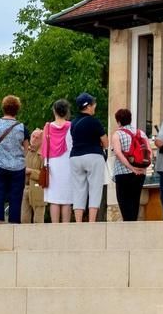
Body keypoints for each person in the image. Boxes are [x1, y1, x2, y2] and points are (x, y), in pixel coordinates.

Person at [67, 94, 107, 223]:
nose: (95, 106)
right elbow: (105, 142)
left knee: (78, 189)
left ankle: (79, 221)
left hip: (75, 157)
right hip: (93, 155)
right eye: (93, 104)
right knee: (95, 188)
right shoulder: (94, 121)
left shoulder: (73, 123)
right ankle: (91, 221)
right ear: (88, 106)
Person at [0, 97, 26, 223]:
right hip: (17, 167)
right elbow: (26, 148)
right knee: (16, 197)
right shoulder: (22, 127)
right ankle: (14, 223)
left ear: (3, 108)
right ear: (17, 109)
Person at [111, 108, 152, 222]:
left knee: (124, 203)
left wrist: (131, 168)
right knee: (135, 202)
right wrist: (141, 168)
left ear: (118, 121)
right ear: (130, 119)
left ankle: (127, 228)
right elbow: (149, 152)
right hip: (140, 173)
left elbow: (118, 153)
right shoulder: (141, 133)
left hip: (123, 173)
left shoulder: (117, 134)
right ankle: (133, 226)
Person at [39, 100, 75, 223]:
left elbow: (43, 148)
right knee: (67, 198)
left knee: (54, 198)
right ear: (67, 112)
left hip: (52, 164)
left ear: (54, 111)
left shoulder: (48, 127)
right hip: (68, 163)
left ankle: (55, 227)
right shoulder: (71, 126)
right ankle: (66, 227)